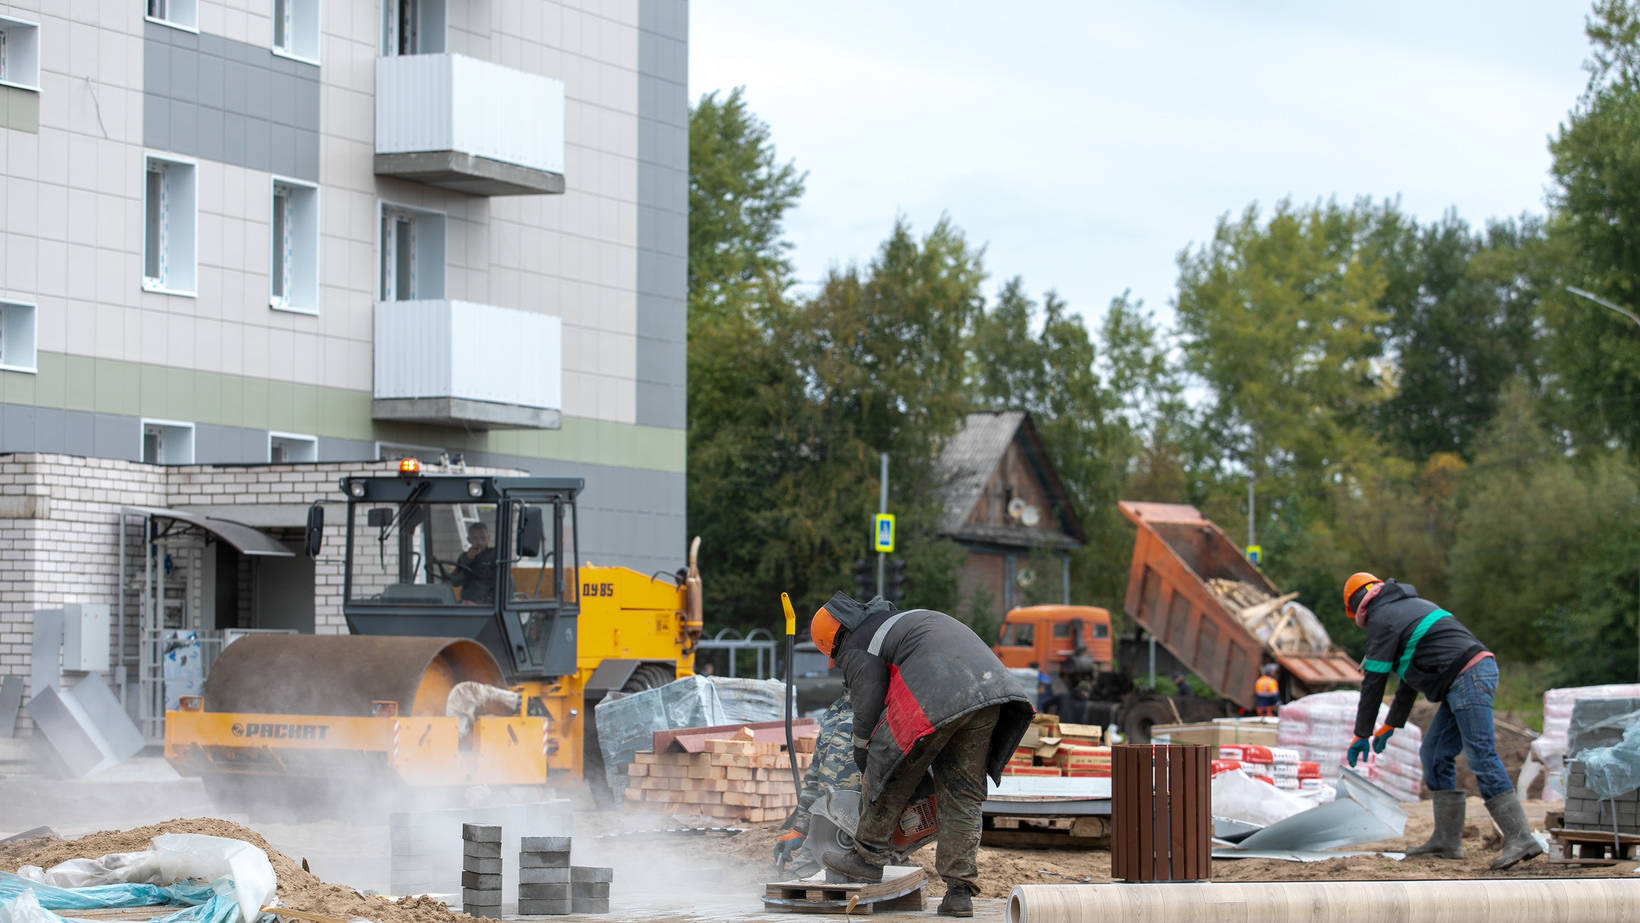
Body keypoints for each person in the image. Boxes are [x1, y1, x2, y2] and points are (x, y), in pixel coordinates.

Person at [810, 592, 1033, 917]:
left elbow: (869, 702)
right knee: (963, 794)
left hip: (939, 692)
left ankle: (866, 859)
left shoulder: (856, 643)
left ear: (832, 643)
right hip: (990, 693)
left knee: (889, 768)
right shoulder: (894, 623)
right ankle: (959, 893)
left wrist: (862, 751)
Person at [1342, 571, 1541, 869]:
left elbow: (1374, 681)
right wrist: (1390, 725)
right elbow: (1409, 680)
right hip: (1464, 678)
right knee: (1434, 753)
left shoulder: (1382, 618)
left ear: (1356, 607)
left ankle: (1520, 837)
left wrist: (1361, 733)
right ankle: (1447, 841)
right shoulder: (1404, 608)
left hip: (1468, 677)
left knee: (1481, 755)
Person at [451, 522, 497, 604]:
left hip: (487, 607)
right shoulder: (464, 557)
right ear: (469, 540)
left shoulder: (495, 556)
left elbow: (499, 588)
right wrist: (467, 560)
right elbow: (455, 582)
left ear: (488, 538)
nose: (479, 543)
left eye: (483, 538)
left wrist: (479, 604)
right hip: (466, 604)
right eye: (475, 539)